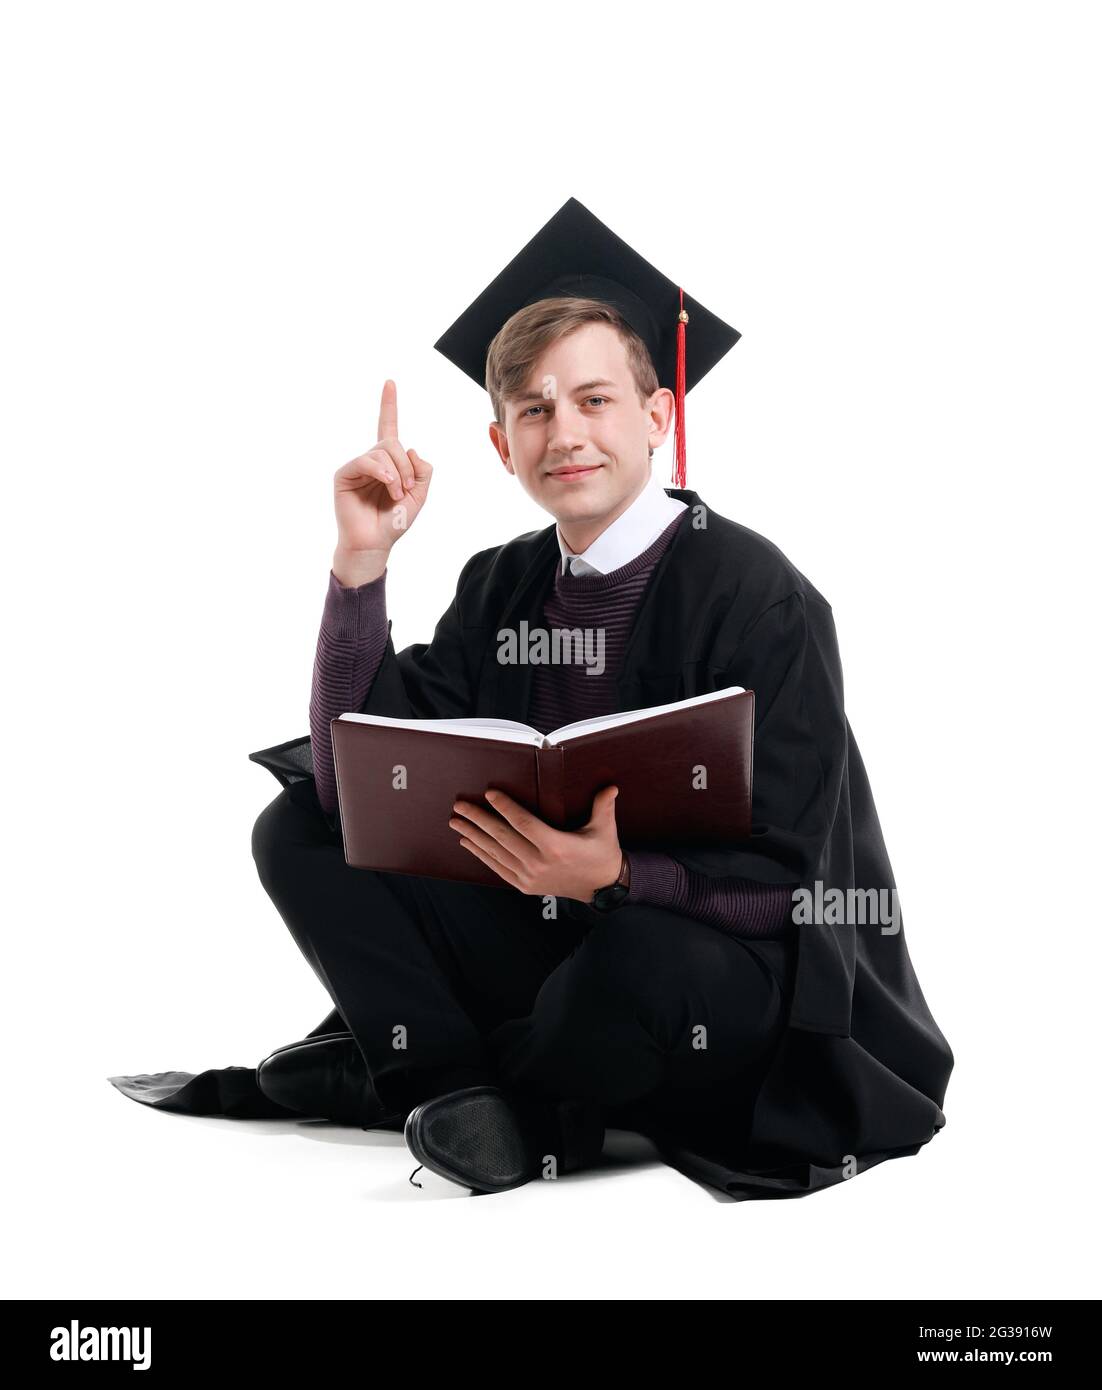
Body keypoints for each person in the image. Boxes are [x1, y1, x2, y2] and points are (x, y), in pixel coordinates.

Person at [110, 198, 954, 1200]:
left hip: (713, 965)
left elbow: (793, 890)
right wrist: (360, 566)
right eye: (535, 411)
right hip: (544, 932)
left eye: (595, 400)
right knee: (293, 830)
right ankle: (466, 1090)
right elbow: (355, 787)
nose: (567, 433)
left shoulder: (761, 598)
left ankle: (417, 1076)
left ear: (658, 414)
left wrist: (617, 876)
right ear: (503, 446)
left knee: (634, 962)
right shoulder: (499, 586)